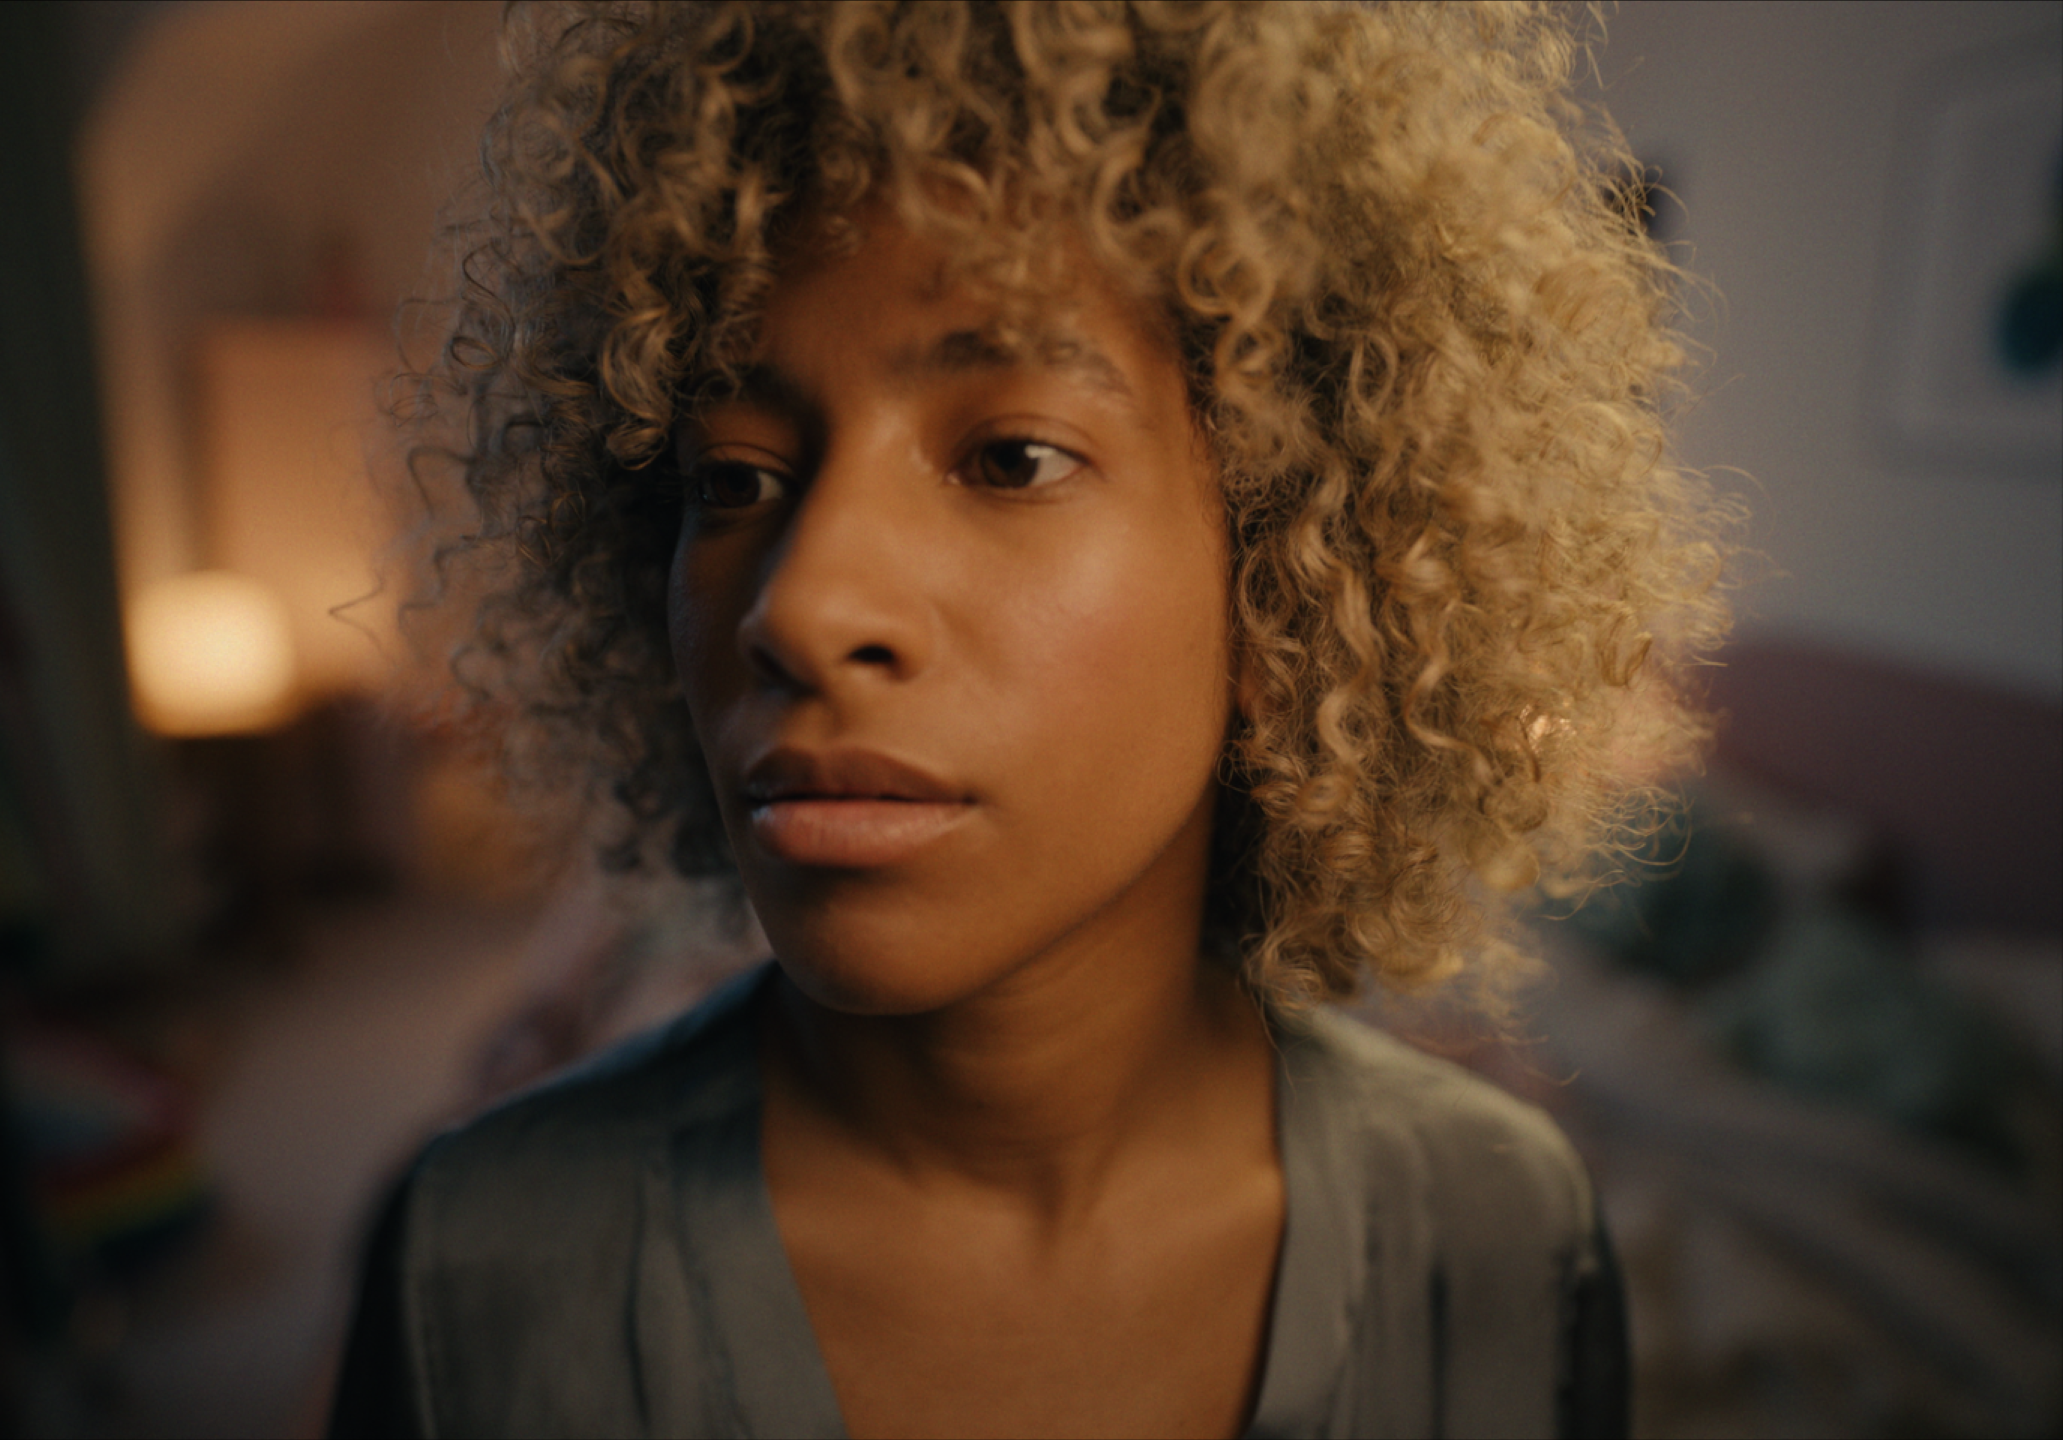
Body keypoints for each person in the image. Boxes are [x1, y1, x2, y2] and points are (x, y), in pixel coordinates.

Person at [333, 2, 1731, 1435]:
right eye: (733, 479)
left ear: (1292, 578)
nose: (798, 605)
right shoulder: (477, 1275)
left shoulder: (1503, 1242)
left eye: (1010, 458)